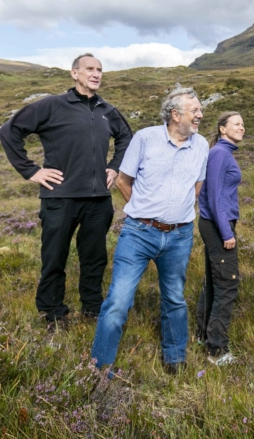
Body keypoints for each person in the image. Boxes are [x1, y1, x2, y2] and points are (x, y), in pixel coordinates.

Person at [0, 53, 132, 331]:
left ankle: (92, 309)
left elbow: (126, 138)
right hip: (59, 198)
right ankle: (52, 313)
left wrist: (115, 166)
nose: (96, 74)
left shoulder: (107, 109)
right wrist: (32, 171)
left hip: (98, 200)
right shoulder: (52, 105)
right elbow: (8, 131)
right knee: (54, 257)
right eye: (90, 69)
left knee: (94, 258)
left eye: (100, 70)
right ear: (74, 73)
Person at [91, 86, 209, 374]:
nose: (200, 115)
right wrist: (144, 212)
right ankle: (99, 368)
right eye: (195, 111)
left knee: (175, 298)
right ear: (175, 113)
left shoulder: (202, 145)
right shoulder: (145, 138)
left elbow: (197, 185)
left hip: (180, 235)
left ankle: (175, 360)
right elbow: (122, 180)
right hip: (139, 234)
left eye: (200, 111)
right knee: (119, 300)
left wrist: (177, 212)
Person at [194, 111, 245, 366]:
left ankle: (203, 337)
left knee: (215, 282)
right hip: (217, 226)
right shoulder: (219, 154)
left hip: (217, 223)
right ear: (223, 129)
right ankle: (217, 349)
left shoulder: (223, 153)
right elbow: (213, 196)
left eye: (243, 124)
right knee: (227, 285)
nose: (242, 127)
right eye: (237, 124)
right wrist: (227, 233)